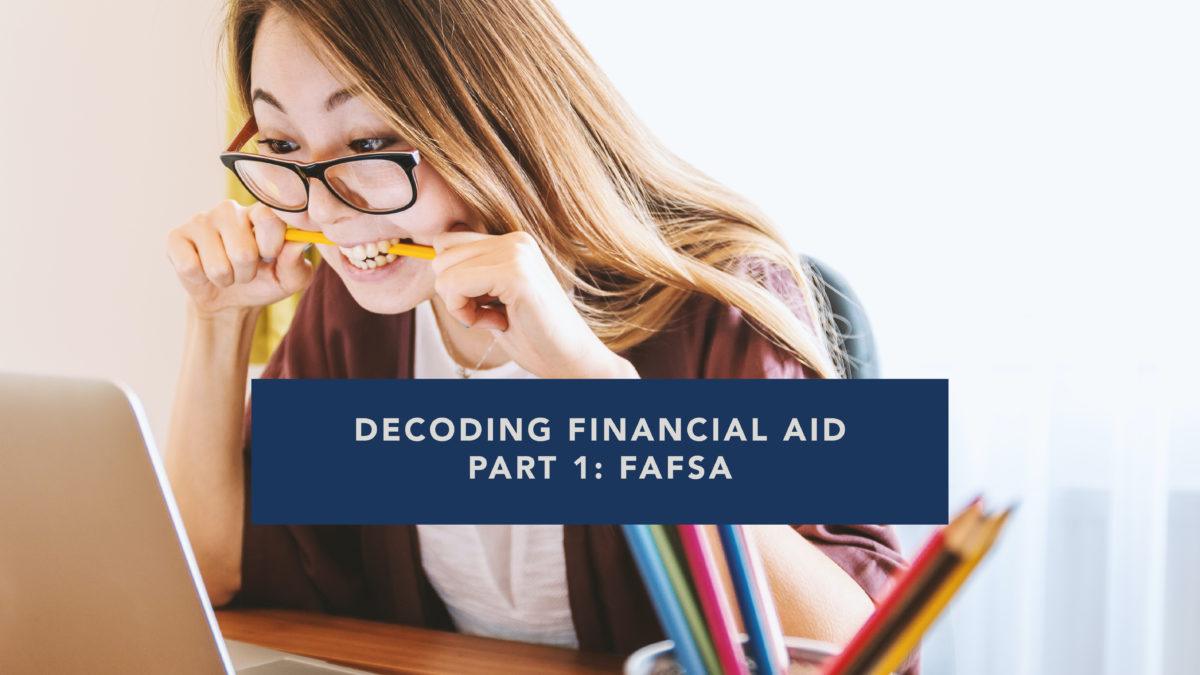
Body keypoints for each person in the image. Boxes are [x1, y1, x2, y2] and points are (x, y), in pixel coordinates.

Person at [165, 0, 909, 661]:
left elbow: (862, 648)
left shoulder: (724, 295)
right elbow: (214, 569)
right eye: (286, 146)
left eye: (368, 145)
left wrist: (595, 386)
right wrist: (219, 321)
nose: (324, 211)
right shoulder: (357, 307)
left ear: (492, 117)